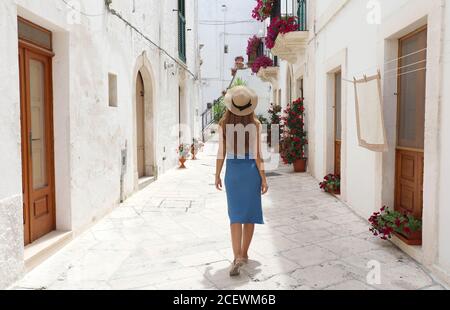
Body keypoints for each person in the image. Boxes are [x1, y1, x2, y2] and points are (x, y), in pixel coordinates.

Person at [215, 85, 269, 277]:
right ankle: (244, 254)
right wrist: (263, 178)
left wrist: (217, 174)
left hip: (233, 174)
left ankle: (236, 255)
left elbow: (221, 153)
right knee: (249, 215)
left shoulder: (223, 124)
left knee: (235, 216)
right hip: (250, 173)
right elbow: (257, 155)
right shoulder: (255, 124)